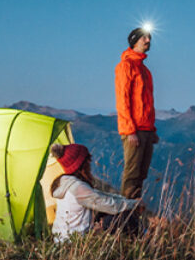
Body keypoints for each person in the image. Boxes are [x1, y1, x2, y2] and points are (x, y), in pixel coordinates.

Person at [50, 143, 141, 242]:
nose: (90, 162)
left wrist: (127, 201)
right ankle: (142, 240)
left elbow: (100, 196)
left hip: (61, 239)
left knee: (112, 210)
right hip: (75, 241)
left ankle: (138, 239)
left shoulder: (66, 183)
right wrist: (134, 205)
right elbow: (110, 205)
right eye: (87, 159)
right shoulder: (78, 188)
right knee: (123, 214)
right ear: (80, 164)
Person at [115, 27, 160, 199]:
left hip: (146, 130)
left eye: (149, 38)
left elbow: (147, 103)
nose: (148, 41)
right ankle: (125, 217)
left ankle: (134, 213)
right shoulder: (125, 66)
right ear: (135, 41)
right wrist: (129, 130)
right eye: (144, 38)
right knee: (132, 174)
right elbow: (122, 99)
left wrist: (152, 129)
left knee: (141, 174)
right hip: (134, 131)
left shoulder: (145, 71)